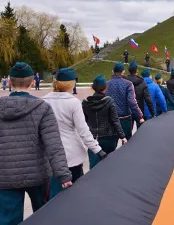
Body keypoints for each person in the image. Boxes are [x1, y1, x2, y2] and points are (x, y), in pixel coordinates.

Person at [0, 62, 72, 225]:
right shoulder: (42, 108)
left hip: (5, 175)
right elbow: (53, 144)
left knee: (7, 220)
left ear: (9, 83)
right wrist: (64, 175)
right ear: (33, 82)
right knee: (44, 215)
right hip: (38, 174)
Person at [42, 68, 105, 199]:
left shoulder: (43, 101)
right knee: (75, 193)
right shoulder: (73, 102)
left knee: (53, 193)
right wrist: (97, 149)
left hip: (50, 154)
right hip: (71, 154)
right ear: (72, 83)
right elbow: (83, 131)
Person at [82, 75, 127, 169]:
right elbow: (115, 120)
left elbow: (84, 121)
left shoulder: (85, 102)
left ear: (92, 87)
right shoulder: (109, 101)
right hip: (109, 136)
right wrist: (122, 136)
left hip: (93, 137)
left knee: (94, 166)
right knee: (109, 164)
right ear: (105, 87)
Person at [106, 62, 144, 140]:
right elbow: (132, 102)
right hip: (125, 118)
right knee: (127, 142)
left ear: (112, 71)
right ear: (123, 71)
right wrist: (140, 115)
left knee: (113, 141)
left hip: (111, 118)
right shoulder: (128, 84)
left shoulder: (106, 84)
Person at [125, 61, 155, 128]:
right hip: (139, 110)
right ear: (137, 71)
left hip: (127, 111)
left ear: (128, 70)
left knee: (128, 134)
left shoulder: (125, 81)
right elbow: (148, 99)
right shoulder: (142, 82)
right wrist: (152, 113)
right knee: (141, 132)